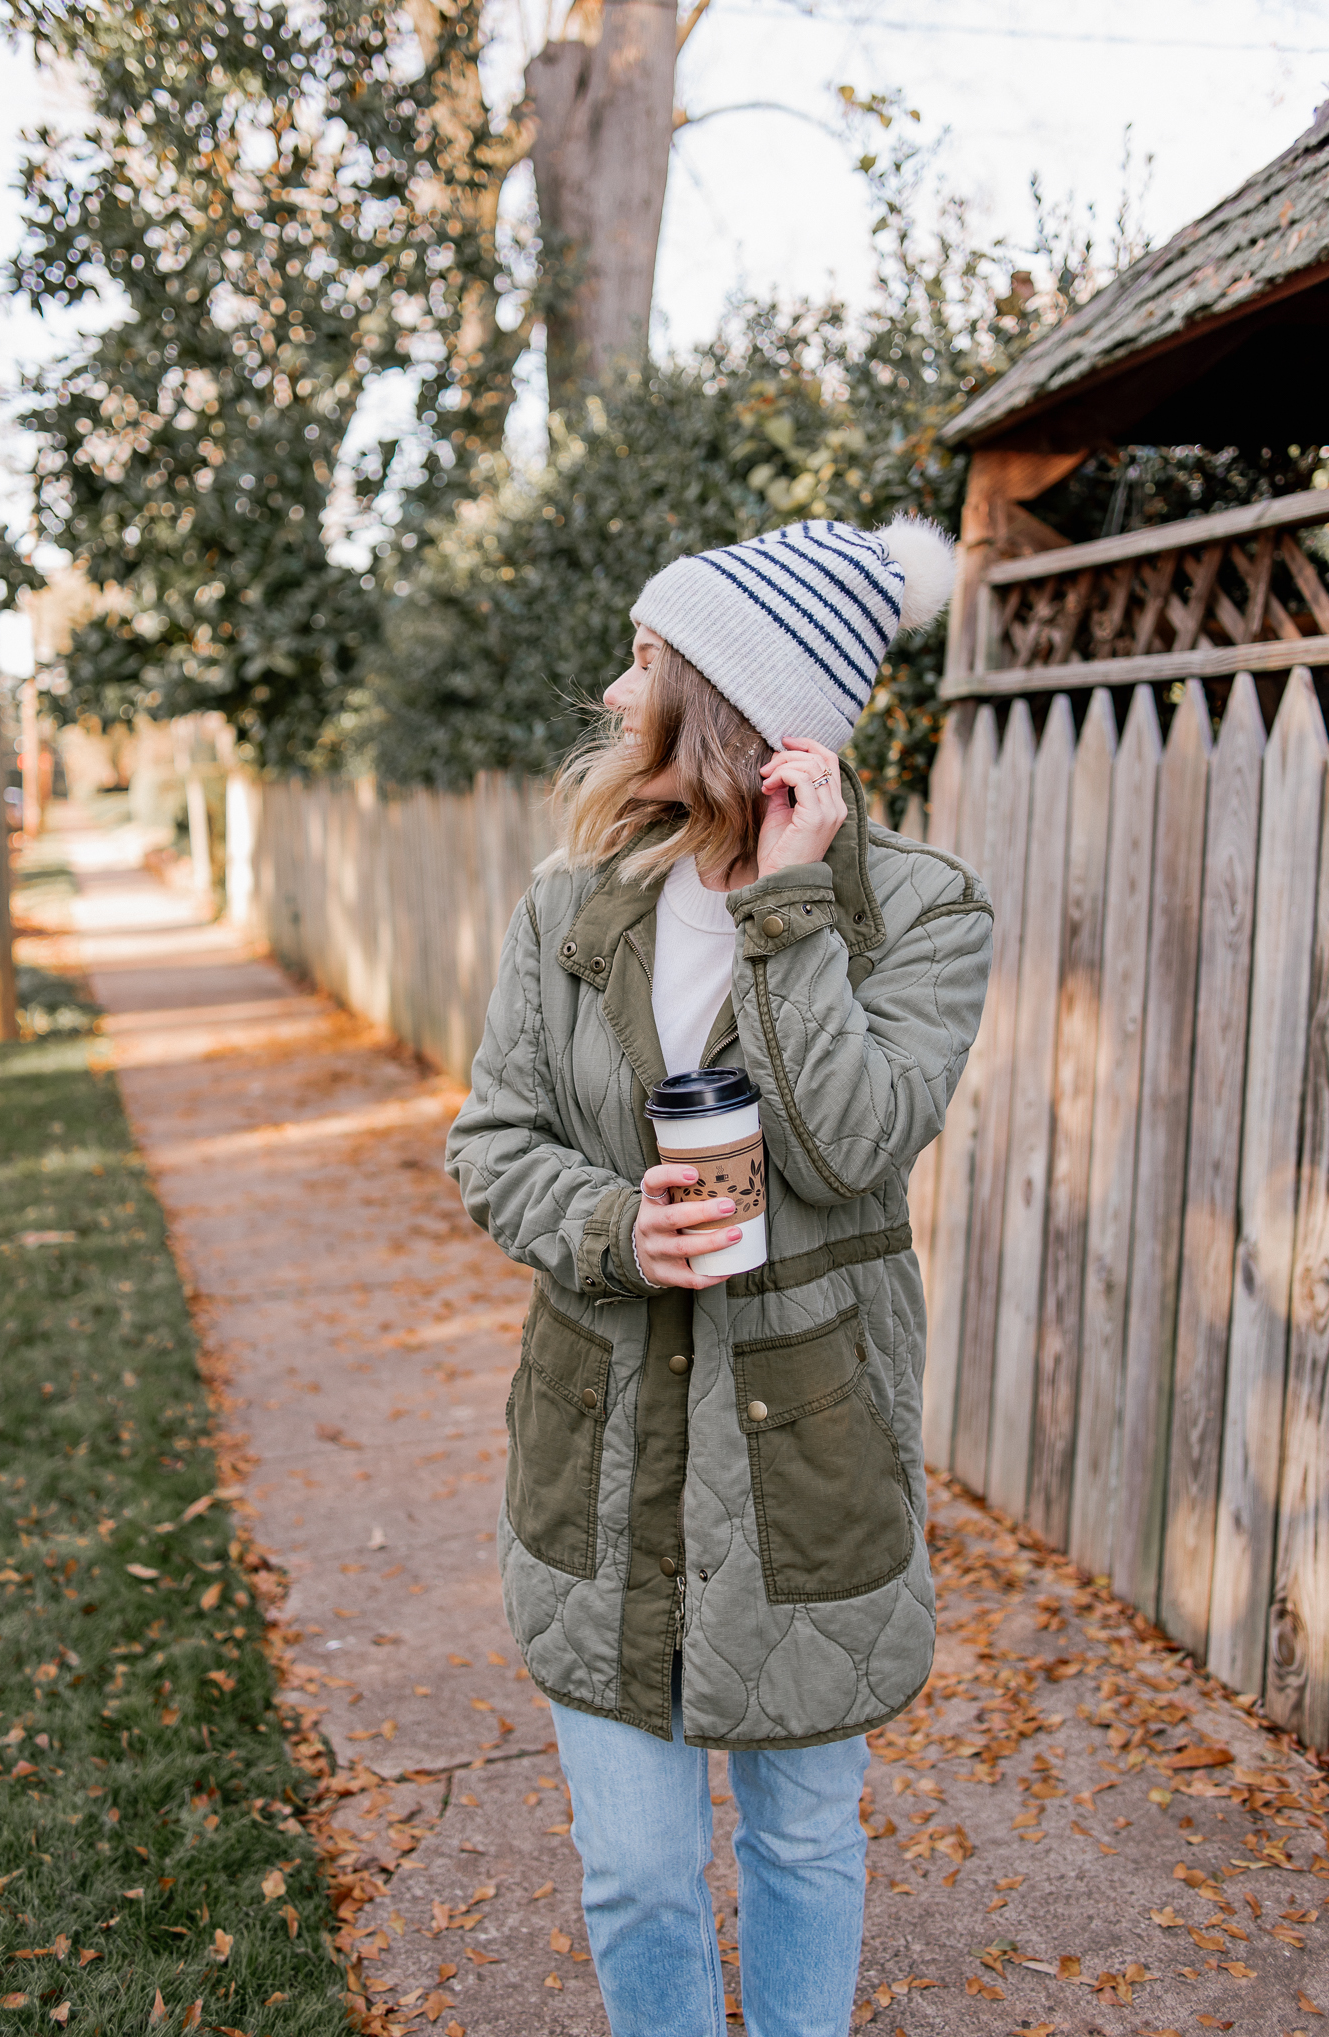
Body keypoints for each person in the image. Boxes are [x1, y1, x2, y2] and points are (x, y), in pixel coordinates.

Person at [445, 517, 993, 2037]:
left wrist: (788, 904)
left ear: (730, 702)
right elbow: (490, 1141)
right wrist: (619, 1228)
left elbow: (853, 1141)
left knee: (805, 1838)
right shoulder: (569, 911)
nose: (618, 698)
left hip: (808, 1455)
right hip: (601, 1444)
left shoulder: (925, 912)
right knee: (634, 1871)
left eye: (648, 661)